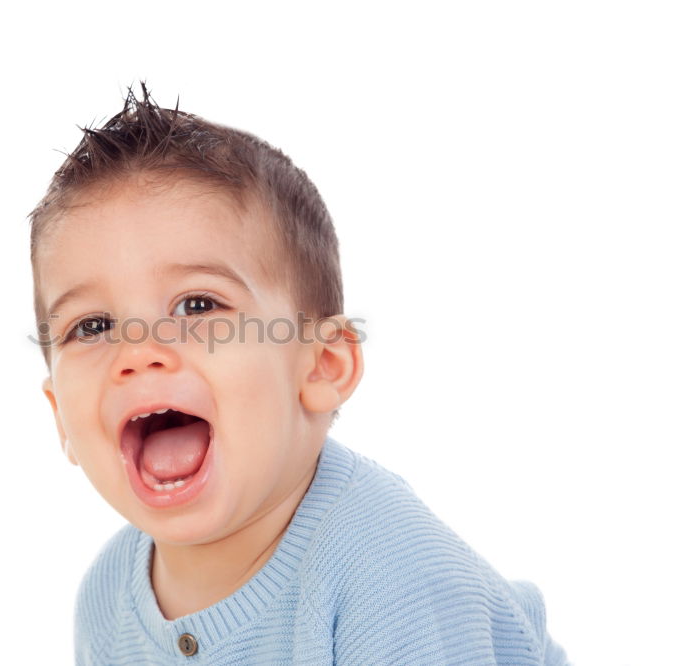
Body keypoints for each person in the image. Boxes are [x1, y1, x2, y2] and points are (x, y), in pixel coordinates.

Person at [29, 83, 569, 665]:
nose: (136, 353)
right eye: (92, 326)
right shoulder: (106, 600)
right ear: (61, 415)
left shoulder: (390, 583)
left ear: (322, 366)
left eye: (198, 306)